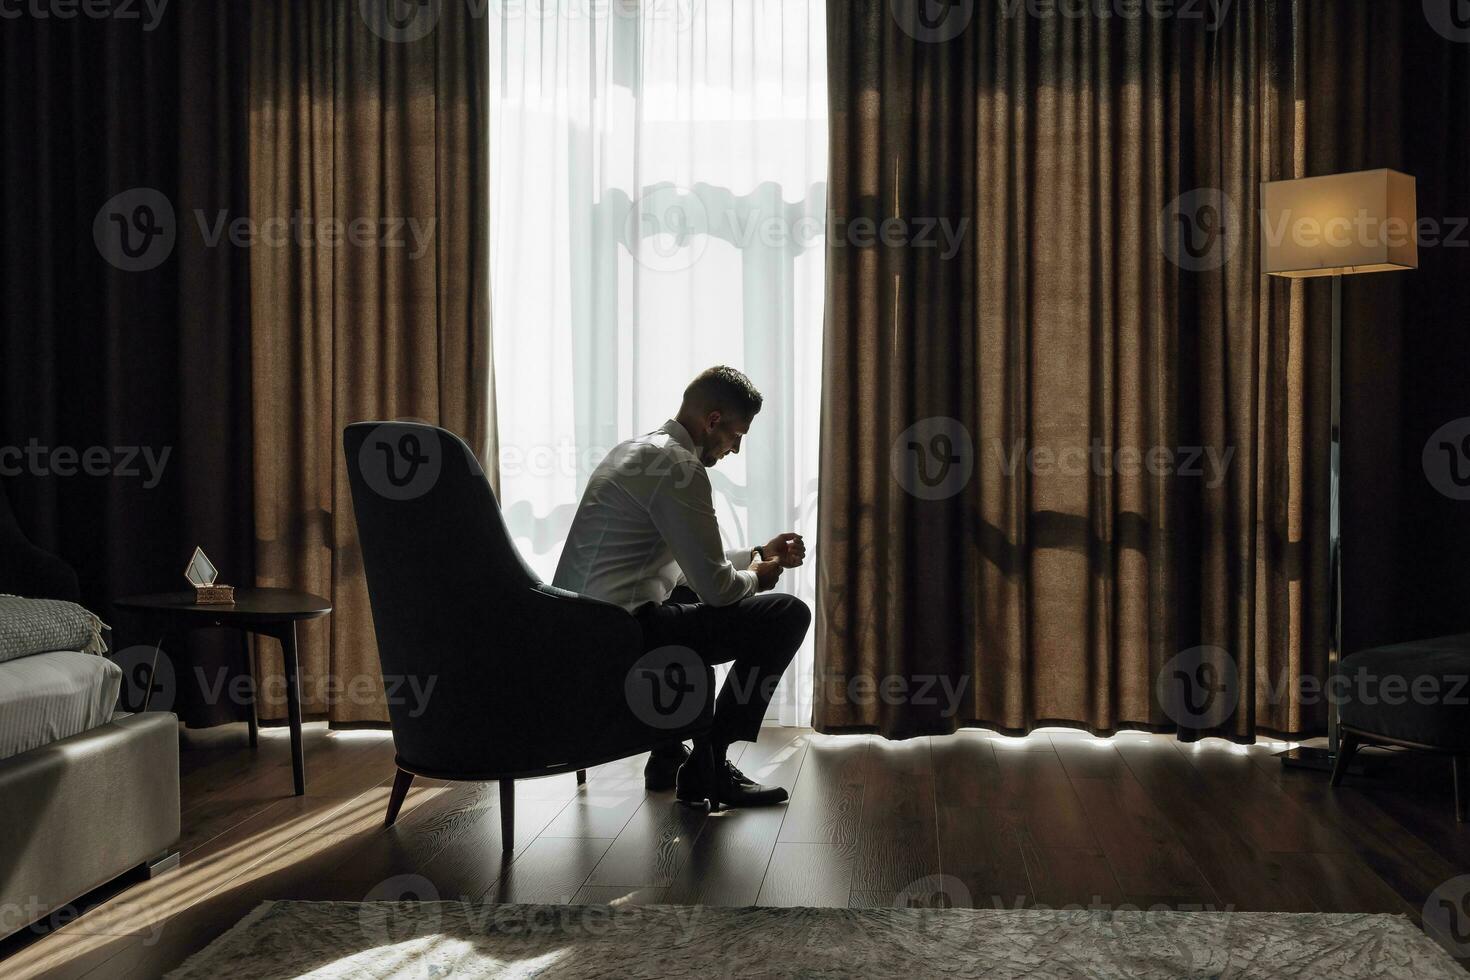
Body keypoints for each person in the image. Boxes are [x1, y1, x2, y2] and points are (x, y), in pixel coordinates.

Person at [553, 366, 811, 808]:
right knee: (786, 613)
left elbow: (686, 568)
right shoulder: (681, 467)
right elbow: (719, 591)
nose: (736, 448)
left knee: (684, 600)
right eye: (737, 434)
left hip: (579, 626)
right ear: (713, 421)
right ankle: (710, 762)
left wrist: (753, 553)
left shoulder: (637, 451)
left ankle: (668, 752)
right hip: (620, 635)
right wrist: (761, 575)